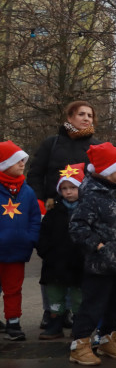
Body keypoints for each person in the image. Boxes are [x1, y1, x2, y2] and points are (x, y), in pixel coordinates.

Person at [67, 143, 116, 366]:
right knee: (93, 305)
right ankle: (79, 346)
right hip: (101, 264)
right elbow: (77, 227)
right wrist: (99, 247)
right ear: (108, 170)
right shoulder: (91, 194)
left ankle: (108, 339)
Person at [37, 163, 86, 340]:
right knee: (55, 295)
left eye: (73, 187)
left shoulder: (87, 209)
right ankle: (55, 324)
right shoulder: (54, 210)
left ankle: (79, 326)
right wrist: (45, 251)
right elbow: (43, 233)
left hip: (78, 262)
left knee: (78, 297)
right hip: (54, 262)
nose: (68, 192)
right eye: (64, 188)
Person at [0, 142, 41, 341]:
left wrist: (30, 238)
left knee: (13, 289)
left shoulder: (27, 192)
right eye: (17, 161)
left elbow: (35, 218)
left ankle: (13, 322)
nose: (21, 164)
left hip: (17, 250)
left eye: (23, 161)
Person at [27, 100, 102, 207]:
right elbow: (35, 175)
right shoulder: (51, 143)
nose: (86, 118)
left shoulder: (98, 147)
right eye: (81, 114)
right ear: (70, 118)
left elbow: (104, 179)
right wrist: (40, 201)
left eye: (90, 116)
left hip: (89, 208)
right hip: (54, 208)